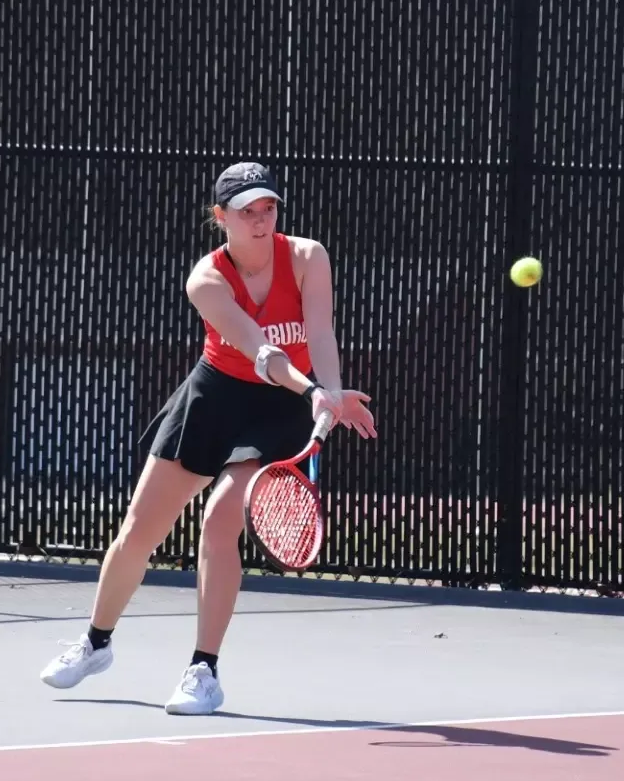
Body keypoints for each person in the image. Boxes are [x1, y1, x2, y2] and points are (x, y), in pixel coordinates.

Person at [38, 162, 377, 714]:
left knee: (221, 519)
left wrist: (330, 393)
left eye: (268, 208)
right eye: (247, 212)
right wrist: (310, 387)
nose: (261, 220)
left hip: (277, 411)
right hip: (216, 393)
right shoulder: (206, 279)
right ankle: (96, 642)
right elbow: (259, 349)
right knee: (140, 529)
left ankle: (203, 670)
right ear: (221, 218)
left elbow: (320, 331)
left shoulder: (308, 257)